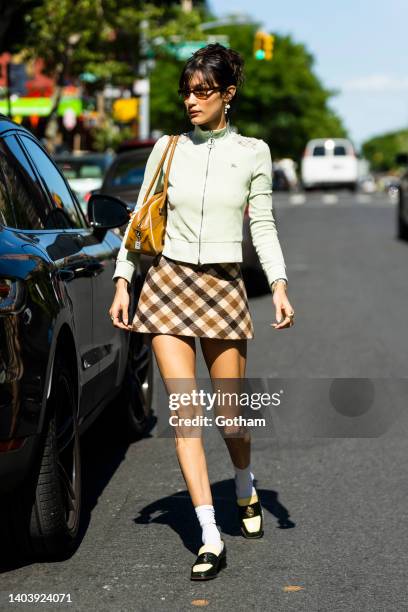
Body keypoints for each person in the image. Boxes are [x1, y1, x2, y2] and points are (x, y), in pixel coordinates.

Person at [109, 43, 295, 581]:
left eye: (203, 91)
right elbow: (140, 219)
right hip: (167, 283)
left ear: (227, 95)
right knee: (186, 414)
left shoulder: (254, 152)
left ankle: (243, 482)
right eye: (186, 91)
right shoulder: (167, 149)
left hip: (222, 285)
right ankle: (210, 534)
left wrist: (278, 283)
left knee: (230, 417)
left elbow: (262, 225)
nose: (191, 100)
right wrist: (124, 279)